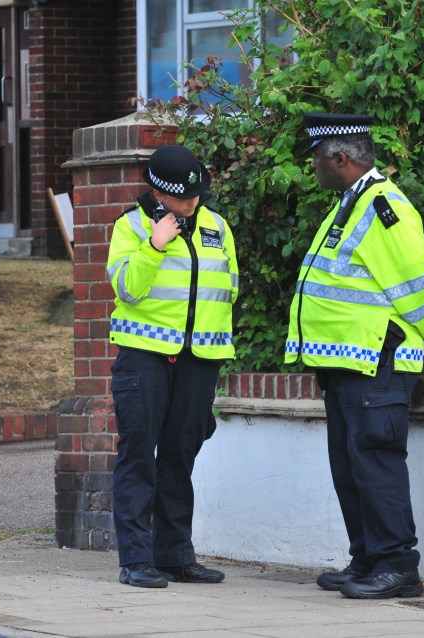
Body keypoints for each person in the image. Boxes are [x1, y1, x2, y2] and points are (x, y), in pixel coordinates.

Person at [285, 113, 424, 599]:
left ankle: (398, 567)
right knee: (351, 466)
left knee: (376, 464)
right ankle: (368, 559)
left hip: (377, 362)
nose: (312, 166)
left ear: (341, 159)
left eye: (317, 157)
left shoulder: (382, 207)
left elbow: (418, 284)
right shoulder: (350, 203)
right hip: (347, 364)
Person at [106, 144, 239, 588]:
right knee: (140, 454)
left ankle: (175, 555)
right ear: (159, 193)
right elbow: (128, 288)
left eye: (197, 194)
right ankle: (136, 559)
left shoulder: (217, 226)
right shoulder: (130, 226)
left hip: (200, 357)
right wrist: (154, 246)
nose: (193, 203)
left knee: (181, 454)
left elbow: (229, 286)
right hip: (144, 356)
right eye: (184, 198)